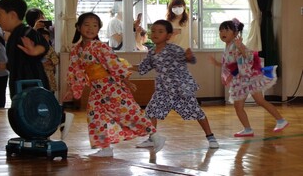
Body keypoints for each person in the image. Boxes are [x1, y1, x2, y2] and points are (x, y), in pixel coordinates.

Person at [63, 12, 166, 157]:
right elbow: (75, 70)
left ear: (99, 29)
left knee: (129, 113)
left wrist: (125, 80)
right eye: (86, 25)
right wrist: (72, 88)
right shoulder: (76, 50)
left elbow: (113, 64)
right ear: (78, 27)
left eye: (95, 25)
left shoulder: (100, 47)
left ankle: (155, 137)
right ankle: (105, 148)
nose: (91, 28)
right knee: (95, 116)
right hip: (96, 88)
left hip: (111, 87)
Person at [0, 0, 73, 140]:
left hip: (33, 81)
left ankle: (61, 119)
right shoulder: (12, 37)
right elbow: (13, 63)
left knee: (40, 107)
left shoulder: (27, 32)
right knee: (25, 110)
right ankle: (36, 135)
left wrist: (34, 50)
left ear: (12, 15)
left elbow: (44, 46)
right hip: (17, 80)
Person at [132, 19, 219, 149]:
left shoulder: (174, 49)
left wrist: (189, 56)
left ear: (168, 35)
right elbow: (143, 68)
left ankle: (211, 137)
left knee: (196, 112)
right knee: (151, 111)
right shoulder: (151, 52)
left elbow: (190, 59)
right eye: (153, 31)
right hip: (163, 90)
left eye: (160, 31)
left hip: (181, 89)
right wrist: (125, 66)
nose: (155, 33)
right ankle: (152, 138)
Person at [209, 18, 289, 137]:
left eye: (226, 30)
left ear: (235, 33)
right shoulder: (227, 47)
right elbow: (229, 64)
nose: (223, 33)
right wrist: (216, 63)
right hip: (240, 80)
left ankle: (280, 120)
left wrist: (240, 47)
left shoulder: (236, 45)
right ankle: (248, 129)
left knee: (259, 101)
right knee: (239, 106)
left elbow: (249, 55)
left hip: (248, 78)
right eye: (220, 31)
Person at [37, 28, 59, 93]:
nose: (45, 39)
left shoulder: (50, 49)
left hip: (49, 74)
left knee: (49, 92)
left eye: (47, 37)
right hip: (38, 73)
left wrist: (49, 62)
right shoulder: (35, 48)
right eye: (43, 37)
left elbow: (56, 59)